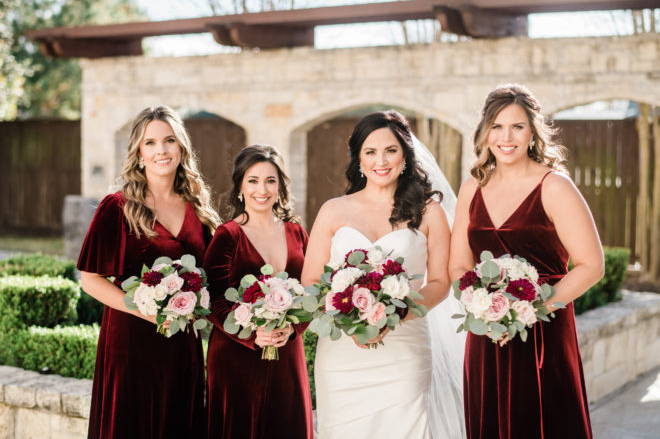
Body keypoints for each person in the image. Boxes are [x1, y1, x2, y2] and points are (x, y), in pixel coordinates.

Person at [449, 84, 604, 439]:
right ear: (485, 132)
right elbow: (459, 267)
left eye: (517, 127)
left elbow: (591, 265)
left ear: (532, 132)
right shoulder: (473, 187)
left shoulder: (554, 187)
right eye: (497, 126)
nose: (507, 137)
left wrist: (528, 310)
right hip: (485, 335)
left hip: (544, 336)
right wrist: (483, 310)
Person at [302, 110, 465, 438]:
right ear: (357, 158)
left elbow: (440, 283)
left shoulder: (429, 212)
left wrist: (395, 314)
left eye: (391, 150)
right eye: (370, 151)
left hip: (405, 350)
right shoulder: (333, 210)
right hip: (342, 355)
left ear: (405, 154)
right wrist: (350, 320)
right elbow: (310, 282)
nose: (381, 161)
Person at [77, 106, 220, 438]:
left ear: (181, 148)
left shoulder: (197, 209)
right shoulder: (118, 207)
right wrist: (150, 313)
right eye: (151, 143)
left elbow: (213, 280)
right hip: (130, 344)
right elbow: (91, 281)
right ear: (138, 153)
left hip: (182, 345)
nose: (161, 150)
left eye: (169, 140)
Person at [203, 145, 314, 439]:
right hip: (235, 357)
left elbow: (312, 292)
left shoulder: (296, 232)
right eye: (252, 180)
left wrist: (293, 328)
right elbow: (213, 300)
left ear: (280, 186)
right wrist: (252, 335)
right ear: (240, 186)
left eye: (270, 180)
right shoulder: (227, 235)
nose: (261, 189)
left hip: (287, 352)